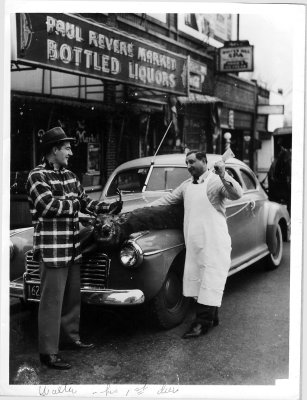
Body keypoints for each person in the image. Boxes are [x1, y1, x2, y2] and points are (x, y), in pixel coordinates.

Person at [26, 127, 122, 369]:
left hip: (72, 247)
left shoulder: (70, 175)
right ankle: (48, 352)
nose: (70, 152)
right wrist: (76, 206)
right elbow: (48, 206)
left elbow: (84, 200)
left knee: (71, 298)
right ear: (54, 150)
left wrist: (103, 208)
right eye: (66, 148)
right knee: (51, 302)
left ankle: (70, 339)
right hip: (52, 248)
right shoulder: (37, 176)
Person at [148, 150, 243, 338]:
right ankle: (212, 317)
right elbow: (165, 201)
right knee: (198, 280)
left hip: (214, 242)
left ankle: (202, 323)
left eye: (192, 162)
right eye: (187, 162)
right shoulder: (185, 186)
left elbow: (237, 194)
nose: (188, 166)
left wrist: (224, 174)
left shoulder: (216, 181)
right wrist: (142, 210)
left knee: (210, 280)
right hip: (194, 243)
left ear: (204, 161)